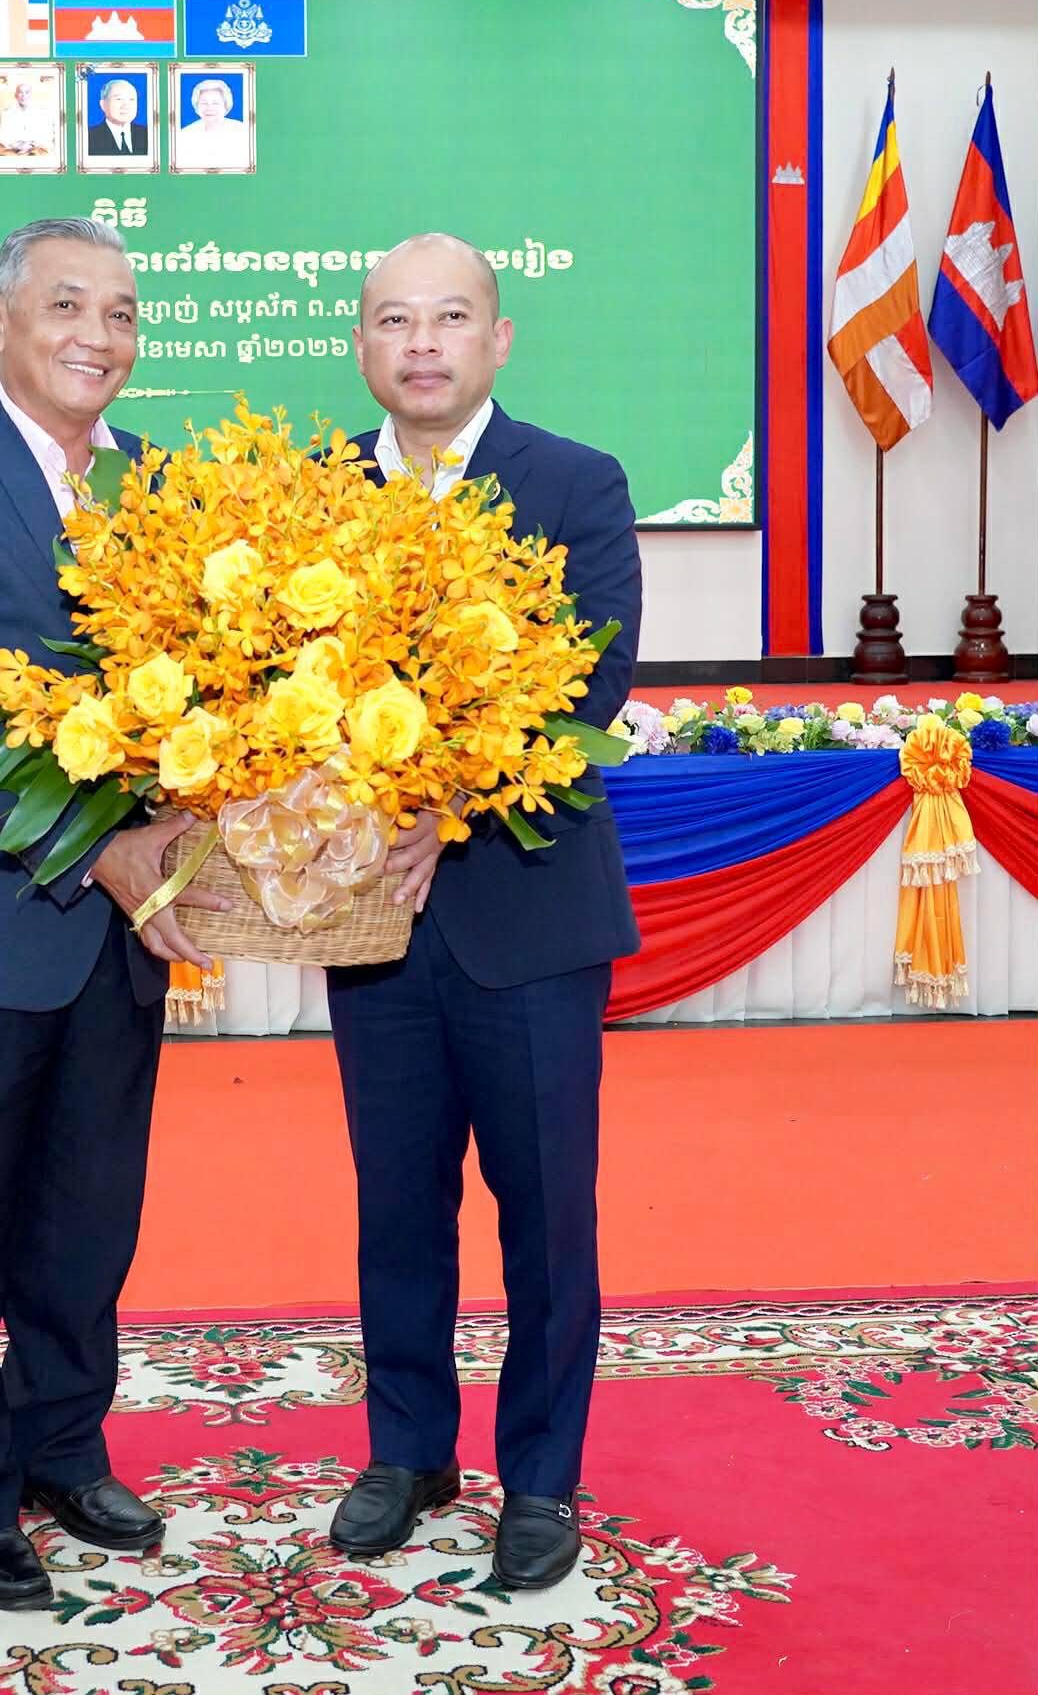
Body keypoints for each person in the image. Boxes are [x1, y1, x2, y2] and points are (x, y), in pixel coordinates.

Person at [0, 217, 229, 1614]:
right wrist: (107, 851)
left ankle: (63, 1446)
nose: (98, 335)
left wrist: (200, 813)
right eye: (68, 305)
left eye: (121, 312)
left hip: (120, 940)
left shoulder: (156, 485)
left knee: (85, 1217)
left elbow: (203, 684)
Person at [323, 232, 643, 1591]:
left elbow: (591, 684)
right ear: (362, 344)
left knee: (544, 1213)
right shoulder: (316, 495)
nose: (422, 344)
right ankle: (406, 1450)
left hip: (526, 910)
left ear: (496, 337)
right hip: (371, 919)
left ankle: (541, 1474)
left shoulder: (573, 481)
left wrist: (446, 802)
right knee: (396, 1203)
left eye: (449, 317)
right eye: (394, 320)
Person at [171, 77, 249, 170]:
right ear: (196, 107)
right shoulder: (184, 134)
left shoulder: (243, 131)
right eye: (204, 103)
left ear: (225, 106)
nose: (209, 108)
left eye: (215, 103)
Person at [87, 77, 148, 157]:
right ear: (103, 104)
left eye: (131, 100)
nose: (125, 105)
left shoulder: (148, 134)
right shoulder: (88, 137)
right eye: (119, 99)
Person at [0, 80, 51, 156]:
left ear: (31, 95)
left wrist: (31, 145)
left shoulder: (40, 113)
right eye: (20, 92)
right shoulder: (7, 113)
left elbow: (45, 135)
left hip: (34, 149)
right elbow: (3, 136)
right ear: (16, 95)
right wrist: (18, 145)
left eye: (27, 92)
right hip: (13, 149)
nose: (24, 96)